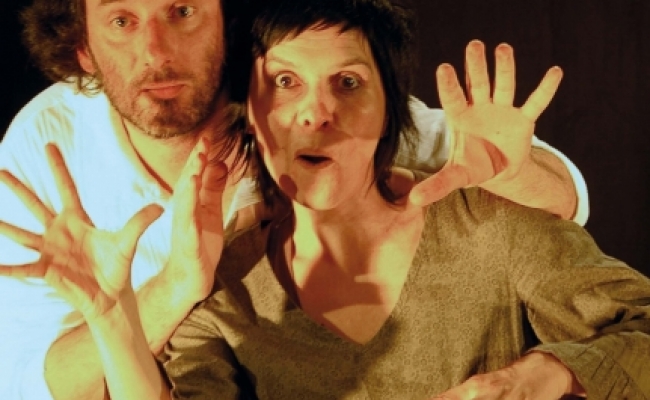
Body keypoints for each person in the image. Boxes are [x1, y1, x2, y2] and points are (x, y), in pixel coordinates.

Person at [11, 0, 648, 399]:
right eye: (286, 83)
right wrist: (115, 315)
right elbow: (43, 379)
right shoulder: (225, 287)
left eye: (347, 83)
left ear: (394, 109)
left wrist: (541, 376)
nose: (316, 112)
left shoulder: (485, 221)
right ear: (251, 114)